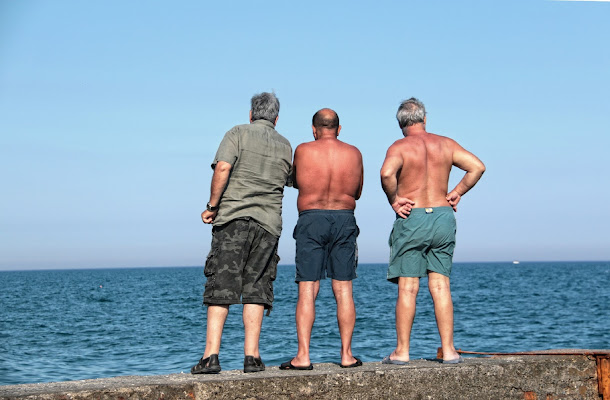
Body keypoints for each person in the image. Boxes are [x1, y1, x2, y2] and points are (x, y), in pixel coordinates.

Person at [191, 92, 292, 374]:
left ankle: (211, 356)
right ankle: (253, 357)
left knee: (221, 286)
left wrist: (212, 205)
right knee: (257, 288)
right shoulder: (285, 145)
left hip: (234, 218)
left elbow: (223, 166)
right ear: (276, 118)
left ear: (251, 114)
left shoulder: (237, 133)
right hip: (269, 224)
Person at [380, 98, 485, 364]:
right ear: (424, 119)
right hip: (442, 215)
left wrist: (394, 199)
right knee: (440, 286)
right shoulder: (446, 144)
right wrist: (457, 192)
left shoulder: (400, 146)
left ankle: (402, 352)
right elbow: (477, 166)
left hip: (412, 215)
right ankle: (449, 351)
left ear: (401, 123)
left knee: (408, 288)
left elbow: (386, 174)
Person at [280, 108, 364, 370]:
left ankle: (303, 356)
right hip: (343, 217)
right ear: (339, 129)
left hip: (311, 218)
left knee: (308, 288)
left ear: (314, 129)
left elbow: (294, 182)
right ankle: (347, 355)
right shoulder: (354, 153)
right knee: (344, 289)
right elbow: (358, 191)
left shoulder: (303, 150)